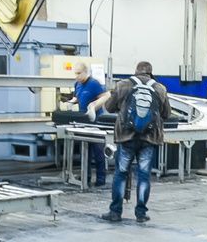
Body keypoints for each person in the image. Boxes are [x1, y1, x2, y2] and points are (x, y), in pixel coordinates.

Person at [89, 60, 170, 223]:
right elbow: (166, 113)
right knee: (144, 176)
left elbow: (110, 107)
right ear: (150, 73)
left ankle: (115, 212)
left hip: (126, 137)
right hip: (149, 138)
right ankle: (141, 213)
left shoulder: (124, 84)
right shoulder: (160, 88)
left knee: (121, 174)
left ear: (136, 71)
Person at [71, 61, 107, 188]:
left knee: (98, 152)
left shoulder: (94, 84)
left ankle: (101, 179)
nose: (77, 76)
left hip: (96, 122)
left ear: (86, 72)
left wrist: (94, 106)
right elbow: (77, 97)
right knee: (85, 152)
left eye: (79, 73)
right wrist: (71, 101)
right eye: (75, 74)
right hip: (83, 122)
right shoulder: (77, 84)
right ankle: (85, 177)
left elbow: (105, 96)